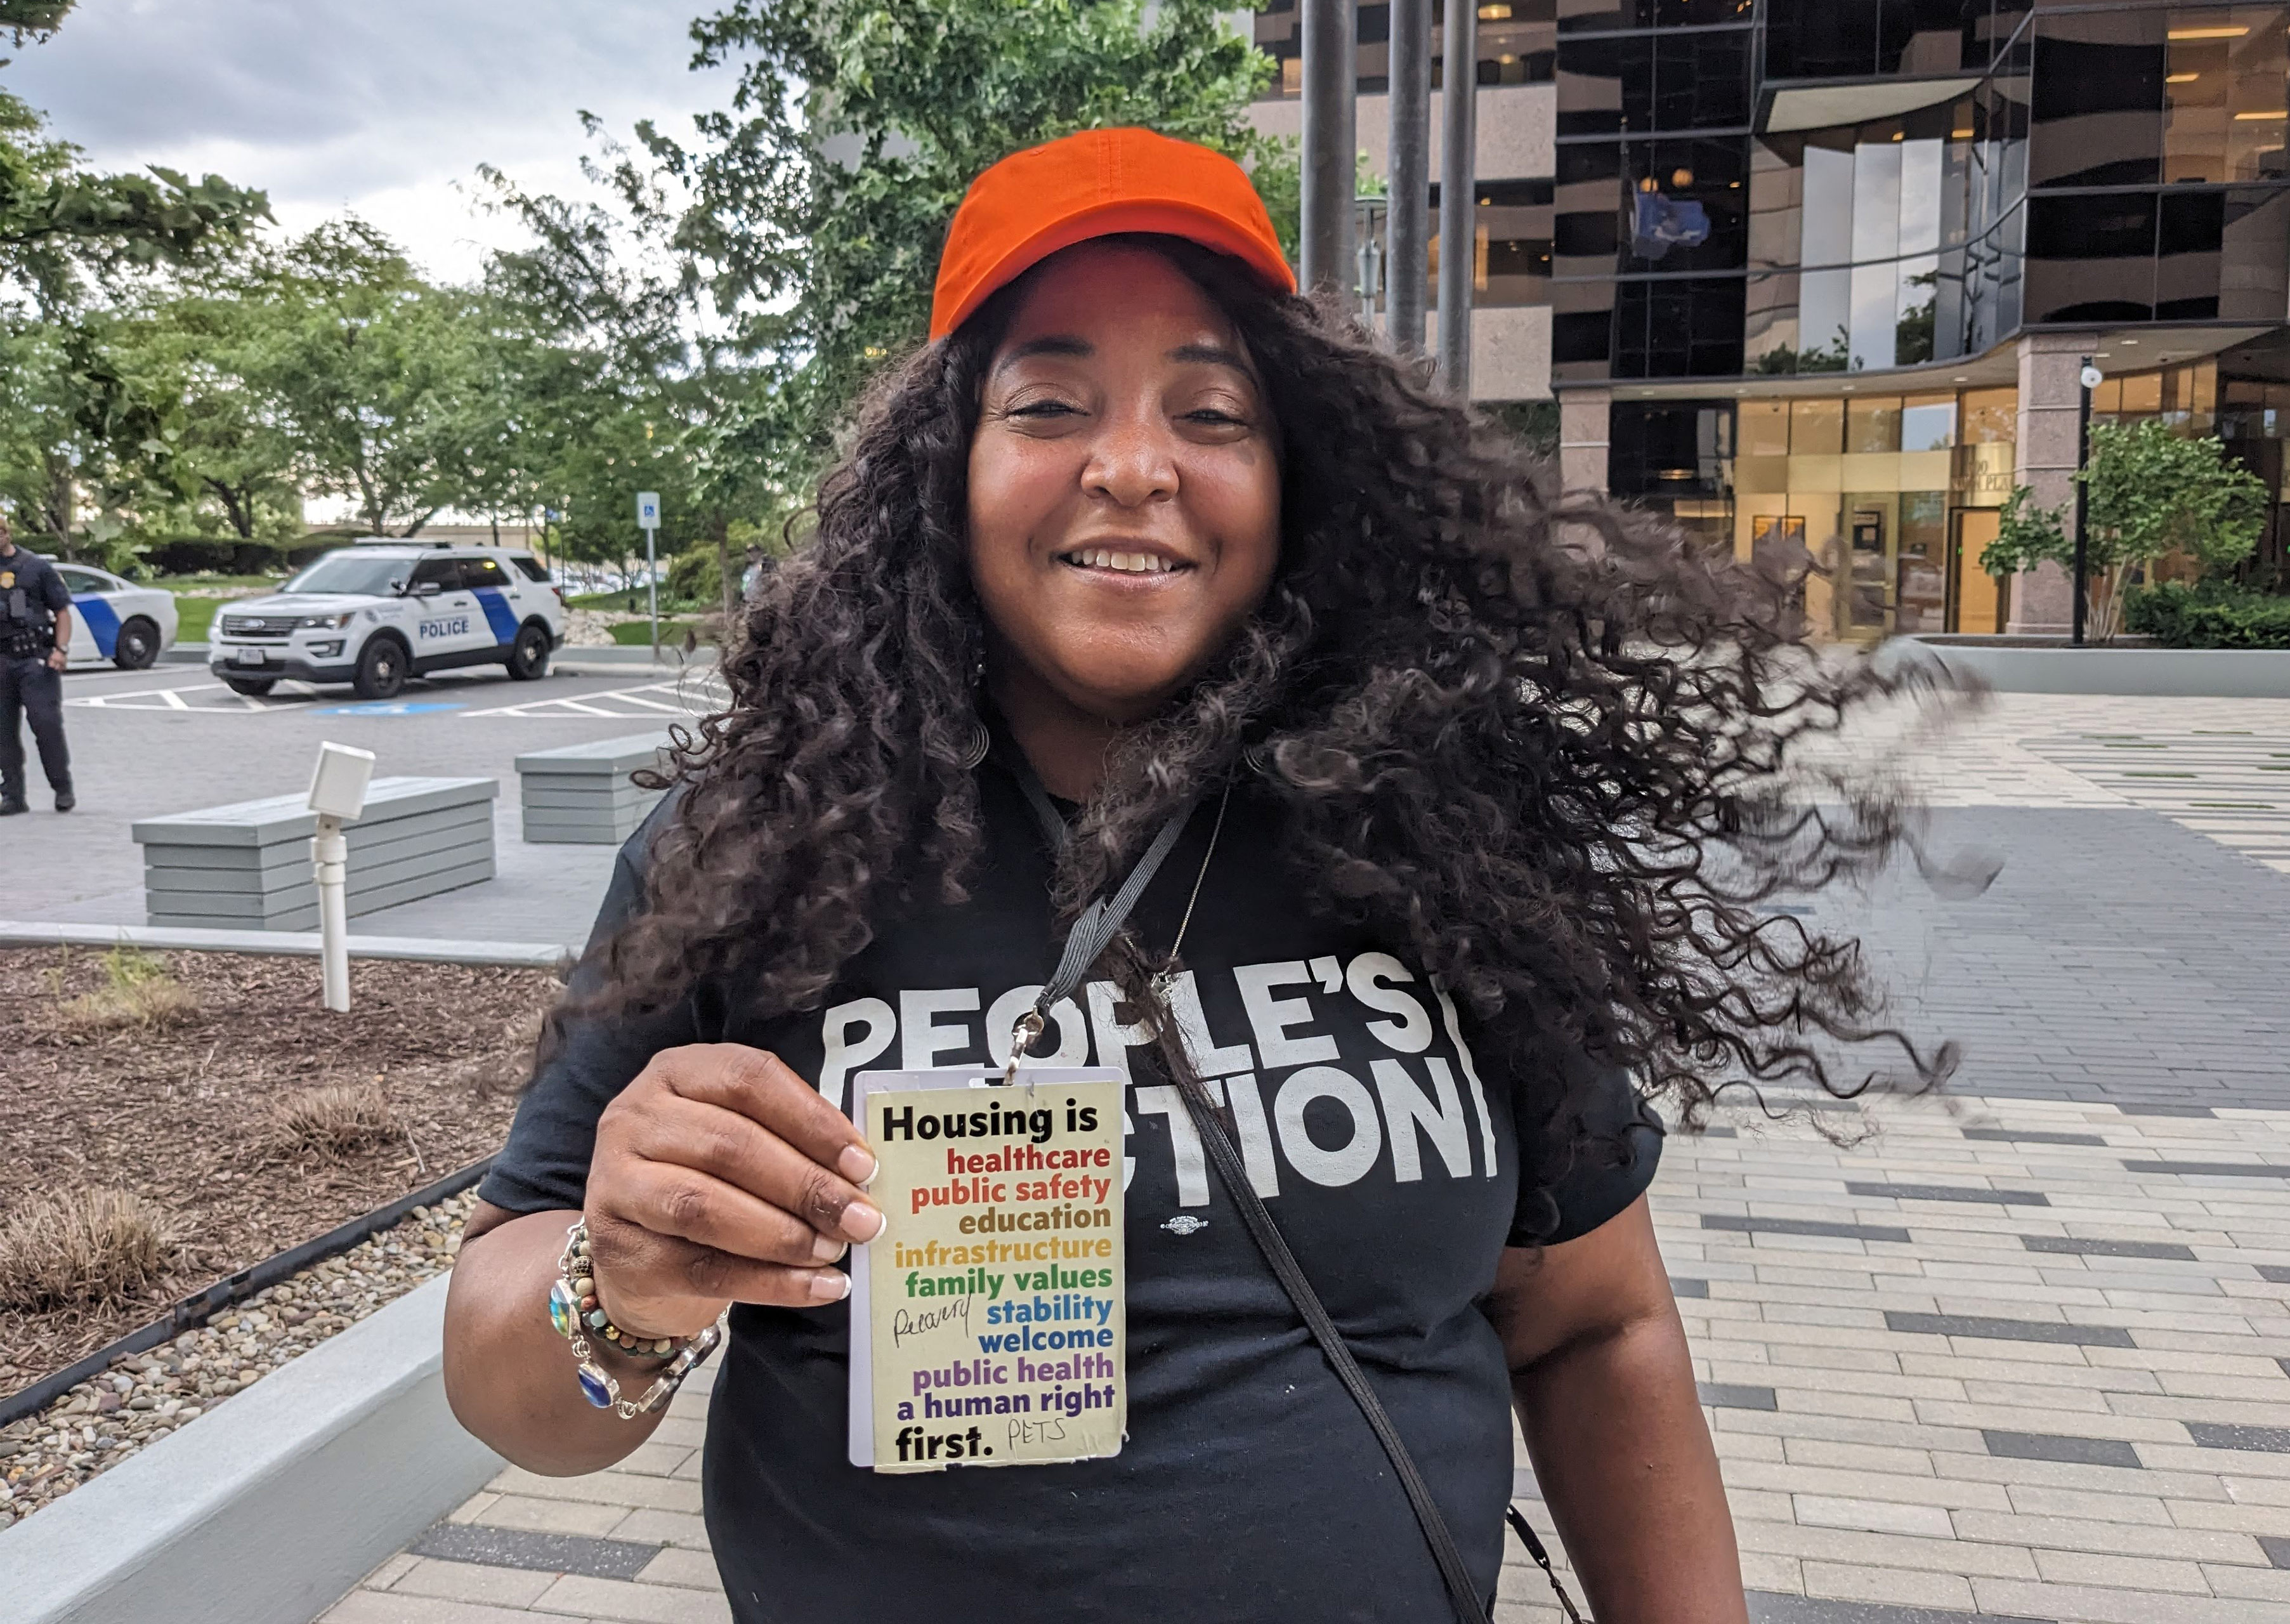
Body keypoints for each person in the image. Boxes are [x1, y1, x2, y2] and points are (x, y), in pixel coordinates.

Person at [445, 128, 1948, 1623]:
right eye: (1048, 402)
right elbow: (511, 1386)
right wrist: (614, 1282)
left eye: (1210, 411)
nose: (1134, 467)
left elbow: (1594, 1322)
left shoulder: (1441, 835)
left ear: (1297, 482)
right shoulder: (760, 845)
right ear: (943, 473)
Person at [0, 515, 73, 815]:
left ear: (7, 533)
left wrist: (61, 650)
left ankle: (62, 787)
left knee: (46, 725)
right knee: (3, 733)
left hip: (34, 658)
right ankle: (14, 796)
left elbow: (62, 611)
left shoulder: (36, 567)